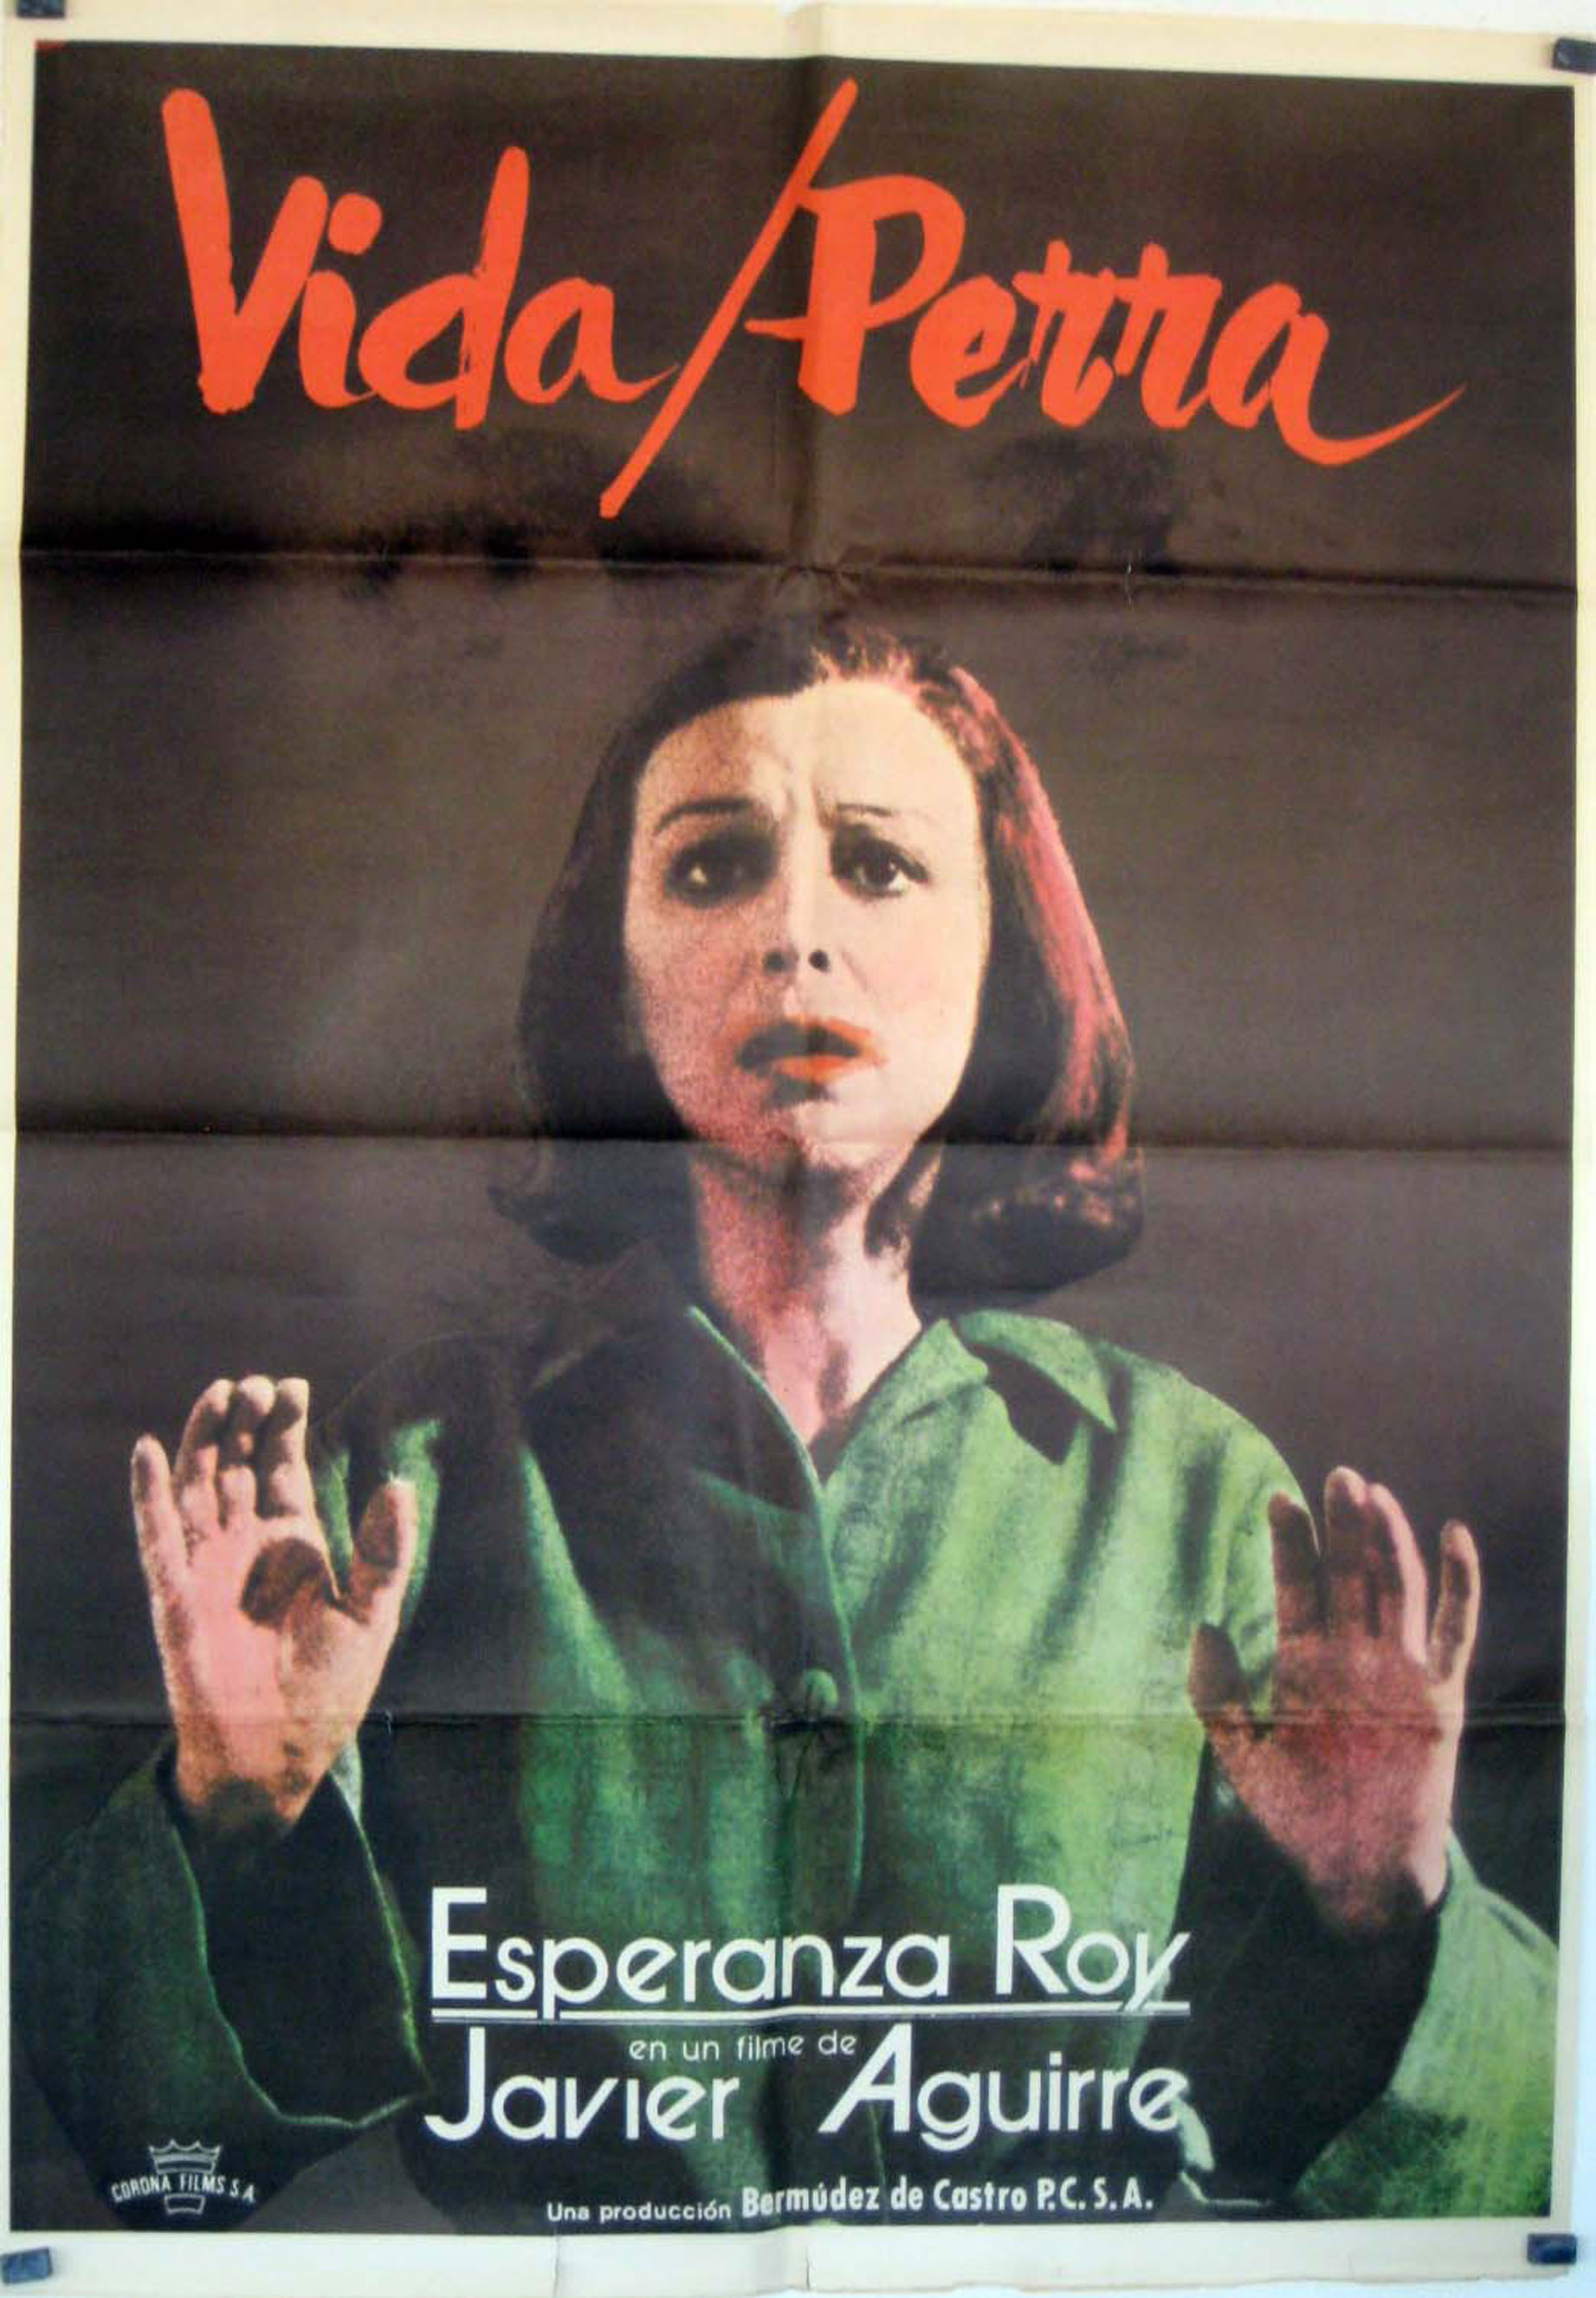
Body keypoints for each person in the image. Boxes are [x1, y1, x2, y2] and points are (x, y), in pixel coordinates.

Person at [17, 618, 1554, 2230]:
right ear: (620, 979)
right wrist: (233, 1805)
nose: (797, 936)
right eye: (712, 868)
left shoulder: (1193, 1494)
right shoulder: (415, 1475)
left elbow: (1500, 2184)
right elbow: (138, 2156)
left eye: (879, 866)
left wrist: (1382, 1903)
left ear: (1000, 967)